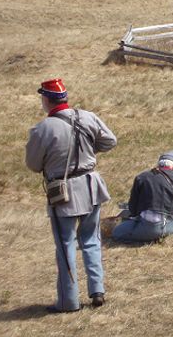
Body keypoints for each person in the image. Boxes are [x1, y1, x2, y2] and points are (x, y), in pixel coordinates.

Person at [25, 78, 117, 313]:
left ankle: (68, 302)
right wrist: (86, 151)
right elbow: (109, 141)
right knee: (91, 240)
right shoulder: (87, 117)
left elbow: (33, 164)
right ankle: (97, 290)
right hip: (91, 186)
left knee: (65, 245)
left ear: (46, 100)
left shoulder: (43, 129)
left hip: (63, 192)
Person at [111, 151, 173, 243]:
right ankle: (162, 238)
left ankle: (146, 241)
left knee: (117, 233)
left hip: (148, 226)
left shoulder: (142, 177)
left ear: (159, 164)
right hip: (171, 226)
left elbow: (133, 208)